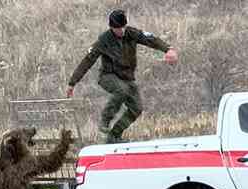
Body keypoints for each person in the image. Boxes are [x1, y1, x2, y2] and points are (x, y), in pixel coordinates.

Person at [66, 9, 178, 144]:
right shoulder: (104, 40)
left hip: (127, 78)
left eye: (123, 27)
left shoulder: (131, 33)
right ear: (111, 28)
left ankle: (114, 136)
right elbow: (87, 60)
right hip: (108, 76)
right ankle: (105, 120)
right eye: (118, 29)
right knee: (121, 90)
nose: (122, 31)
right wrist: (72, 82)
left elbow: (150, 39)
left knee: (136, 108)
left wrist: (168, 49)